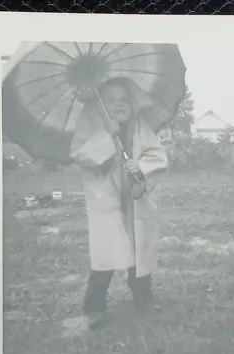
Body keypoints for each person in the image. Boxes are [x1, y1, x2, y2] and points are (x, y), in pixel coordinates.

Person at [70, 77, 168, 329]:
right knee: (107, 250)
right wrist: (106, 137)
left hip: (136, 196)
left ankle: (143, 300)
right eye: (111, 100)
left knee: (139, 248)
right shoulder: (91, 123)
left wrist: (142, 167)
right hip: (107, 196)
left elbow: (156, 154)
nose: (119, 104)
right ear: (101, 104)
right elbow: (80, 153)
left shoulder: (138, 125)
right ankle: (95, 306)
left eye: (124, 99)